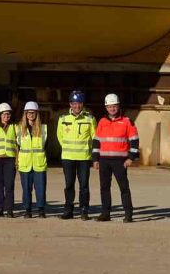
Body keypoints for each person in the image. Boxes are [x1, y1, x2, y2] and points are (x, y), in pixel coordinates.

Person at [93, 90, 138, 223]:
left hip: (120, 161)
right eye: (109, 106)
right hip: (104, 160)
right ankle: (105, 213)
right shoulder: (102, 122)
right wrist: (95, 159)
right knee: (104, 188)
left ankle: (128, 214)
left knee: (124, 188)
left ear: (118, 106)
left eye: (114, 106)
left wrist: (131, 158)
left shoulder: (127, 121)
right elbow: (96, 141)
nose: (112, 109)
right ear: (106, 107)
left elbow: (134, 140)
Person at [55, 90, 97, 220]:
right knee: (69, 185)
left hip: (84, 158)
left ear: (82, 104)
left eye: (79, 103)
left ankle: (84, 211)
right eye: (74, 103)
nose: (77, 106)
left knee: (84, 185)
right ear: (70, 104)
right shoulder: (63, 119)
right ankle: (68, 210)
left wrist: (92, 153)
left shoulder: (90, 119)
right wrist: (67, 148)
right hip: (68, 157)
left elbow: (94, 137)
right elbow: (60, 136)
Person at [14, 100, 51, 217]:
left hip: (39, 163)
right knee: (26, 189)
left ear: (37, 114)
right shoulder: (19, 128)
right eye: (29, 112)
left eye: (33, 112)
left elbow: (46, 146)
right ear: (25, 114)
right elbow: (17, 146)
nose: (31, 115)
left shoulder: (43, 128)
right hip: (25, 164)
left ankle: (41, 210)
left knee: (40, 189)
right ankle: (27, 210)